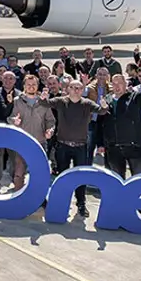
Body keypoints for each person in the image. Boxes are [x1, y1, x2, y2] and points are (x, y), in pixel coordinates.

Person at [38, 79, 104, 217]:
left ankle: (81, 204)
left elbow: (102, 111)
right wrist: (43, 97)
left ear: (82, 90)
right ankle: (62, 203)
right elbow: (44, 103)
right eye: (73, 87)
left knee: (81, 177)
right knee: (62, 176)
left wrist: (104, 105)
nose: (76, 90)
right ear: (68, 89)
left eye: (79, 88)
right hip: (62, 145)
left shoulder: (87, 103)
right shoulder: (61, 101)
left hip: (80, 147)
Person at [98, 71, 141, 178]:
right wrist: (101, 143)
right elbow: (101, 123)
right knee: (116, 180)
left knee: (139, 179)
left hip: (133, 146)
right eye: (114, 84)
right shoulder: (107, 100)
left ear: (125, 84)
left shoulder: (134, 98)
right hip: (113, 147)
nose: (117, 86)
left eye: (119, 83)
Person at [7, 74, 54, 193]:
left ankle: (39, 197)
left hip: (40, 142)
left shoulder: (44, 102)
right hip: (22, 143)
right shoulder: (18, 101)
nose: (31, 87)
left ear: (38, 86)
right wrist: (14, 121)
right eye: (29, 85)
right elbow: (10, 117)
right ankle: (18, 197)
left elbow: (50, 120)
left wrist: (50, 130)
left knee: (39, 174)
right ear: (24, 86)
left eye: (34, 85)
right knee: (19, 173)